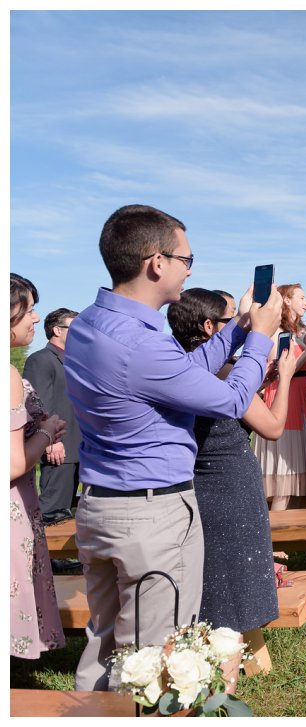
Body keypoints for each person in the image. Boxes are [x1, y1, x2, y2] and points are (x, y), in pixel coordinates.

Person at [64, 204, 280, 690]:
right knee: (156, 660)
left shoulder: (90, 324)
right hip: (150, 516)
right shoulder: (143, 345)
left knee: (106, 648)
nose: (190, 270)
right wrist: (262, 339)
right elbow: (230, 399)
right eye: (187, 259)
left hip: (100, 505)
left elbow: (183, 373)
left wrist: (239, 328)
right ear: (156, 263)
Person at [168, 289, 292, 675]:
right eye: (230, 320)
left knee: (211, 576)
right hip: (231, 486)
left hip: (195, 487)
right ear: (210, 328)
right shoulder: (221, 374)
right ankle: (229, 673)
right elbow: (272, 426)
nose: (238, 326)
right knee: (236, 580)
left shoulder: (175, 369)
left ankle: (222, 660)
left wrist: (258, 380)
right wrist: (287, 378)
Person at [10, 274, 67, 659]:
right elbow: (13, 463)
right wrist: (46, 433)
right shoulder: (9, 375)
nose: (35, 318)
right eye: (29, 309)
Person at [254, 283, 306, 511]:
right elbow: (283, 370)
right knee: (284, 480)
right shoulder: (276, 332)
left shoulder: (296, 333)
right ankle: (275, 529)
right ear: (286, 300)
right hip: (285, 395)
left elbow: (301, 367)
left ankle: (289, 527)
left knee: (297, 480)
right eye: (301, 298)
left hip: (300, 394)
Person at [22, 306, 81, 527]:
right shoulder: (41, 360)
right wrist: (52, 441)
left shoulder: (76, 362)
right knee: (53, 513)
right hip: (59, 449)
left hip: (81, 449)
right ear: (57, 330)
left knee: (73, 514)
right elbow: (39, 406)